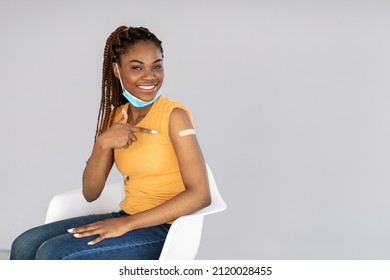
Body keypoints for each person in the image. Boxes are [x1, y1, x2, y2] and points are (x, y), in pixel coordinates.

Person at [10, 26, 211, 260]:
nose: (150, 76)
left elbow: (200, 195)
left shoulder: (175, 116)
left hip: (167, 229)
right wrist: (103, 144)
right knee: (24, 244)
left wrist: (127, 224)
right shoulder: (116, 117)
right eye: (137, 67)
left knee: (53, 254)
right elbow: (90, 193)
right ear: (117, 70)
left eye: (156, 66)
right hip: (127, 216)